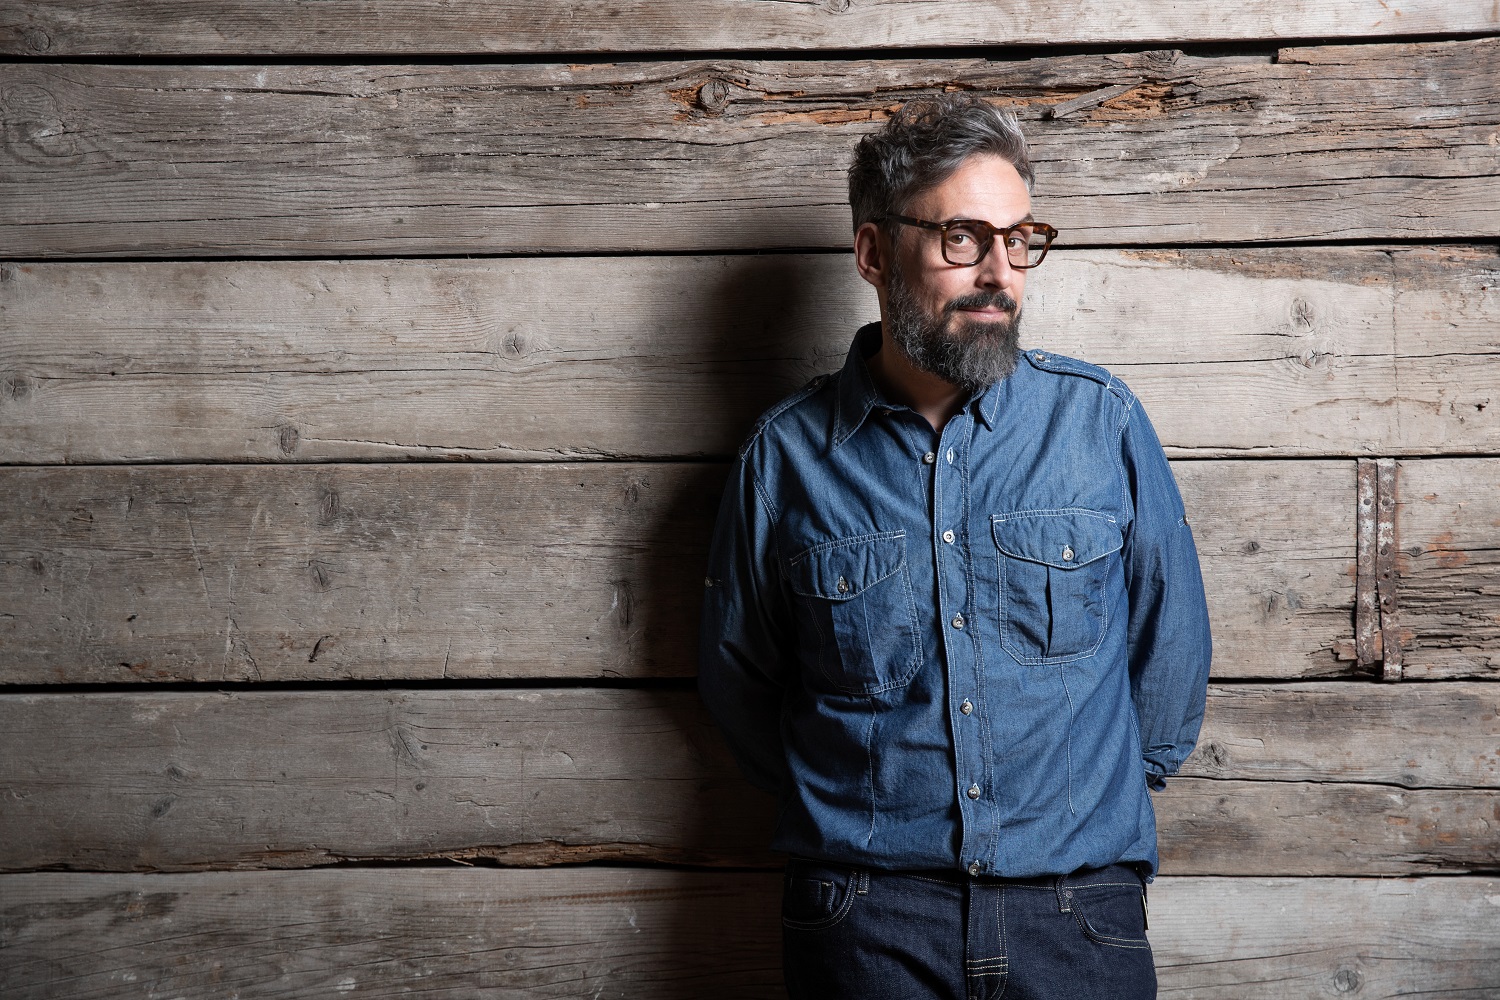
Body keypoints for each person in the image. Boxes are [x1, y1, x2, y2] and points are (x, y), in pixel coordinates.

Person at [698, 93, 1212, 1000]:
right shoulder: (784, 459)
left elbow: (1168, 653)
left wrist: (1074, 817)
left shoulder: (1099, 424)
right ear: (873, 253)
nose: (999, 273)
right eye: (963, 239)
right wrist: (867, 821)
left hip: (1078, 915)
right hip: (866, 924)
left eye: (1019, 239)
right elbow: (743, 685)